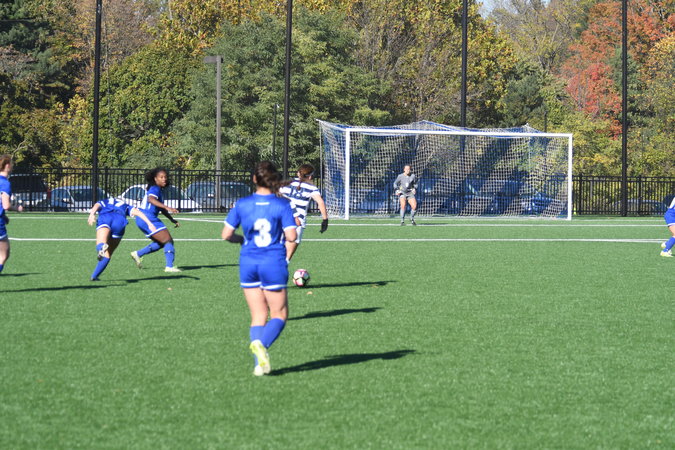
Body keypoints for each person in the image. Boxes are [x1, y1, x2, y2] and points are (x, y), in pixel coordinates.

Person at [222, 161, 297, 376]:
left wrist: (240, 239)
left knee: (258, 315)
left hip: (248, 262)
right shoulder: (281, 205)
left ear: (254, 179)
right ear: (274, 179)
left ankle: (259, 365)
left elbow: (226, 235)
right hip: (272, 262)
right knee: (279, 314)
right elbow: (291, 236)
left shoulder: (242, 204)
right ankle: (261, 344)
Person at [87, 197, 157, 281]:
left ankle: (101, 247)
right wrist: (149, 224)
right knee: (108, 253)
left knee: (101, 243)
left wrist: (92, 214)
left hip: (106, 217)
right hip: (120, 221)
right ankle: (94, 276)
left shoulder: (106, 201)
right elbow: (138, 212)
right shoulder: (125, 205)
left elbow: (97, 205)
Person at [130, 168, 182, 272]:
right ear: (155, 179)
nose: (164, 179)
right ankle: (169, 267)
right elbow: (151, 199)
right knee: (168, 240)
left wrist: (172, 219)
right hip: (148, 217)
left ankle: (138, 254)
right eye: (161, 177)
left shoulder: (158, 190)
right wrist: (167, 207)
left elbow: (161, 209)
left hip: (143, 218)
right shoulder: (155, 188)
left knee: (161, 242)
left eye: (165, 177)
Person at [279, 163, 328, 262]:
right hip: (297, 222)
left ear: (298, 173)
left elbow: (276, 195)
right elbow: (320, 202)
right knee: (286, 258)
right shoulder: (312, 188)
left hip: (281, 220)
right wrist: (325, 220)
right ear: (310, 176)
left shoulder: (287, 183)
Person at [0, 155, 23, 274]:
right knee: (4, 254)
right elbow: (6, 205)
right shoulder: (5, 183)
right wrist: (17, 208)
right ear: (7, 165)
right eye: (12, 164)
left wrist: (4, 216)